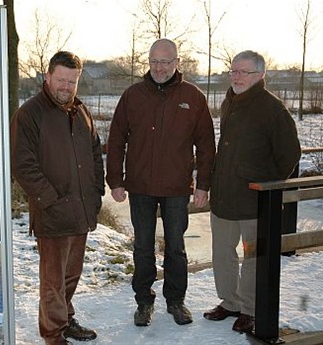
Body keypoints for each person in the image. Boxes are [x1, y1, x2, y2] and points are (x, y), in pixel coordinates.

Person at [106, 38, 216, 327]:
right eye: (154, 61)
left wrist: (203, 184)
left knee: (176, 247)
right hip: (140, 187)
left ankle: (176, 300)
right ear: (149, 62)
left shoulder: (192, 97)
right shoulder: (133, 95)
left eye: (166, 61)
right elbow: (116, 140)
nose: (160, 67)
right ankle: (144, 301)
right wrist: (115, 180)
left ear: (177, 63)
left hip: (177, 188)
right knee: (142, 247)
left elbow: (206, 144)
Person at [11, 51, 105, 345]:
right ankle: (53, 334)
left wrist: (96, 192)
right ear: (48, 77)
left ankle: (65, 318)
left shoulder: (82, 112)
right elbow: (22, 165)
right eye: (61, 80)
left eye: (72, 81)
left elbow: (94, 154)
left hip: (81, 211)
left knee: (71, 275)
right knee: (53, 281)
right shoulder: (30, 113)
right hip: (52, 213)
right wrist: (50, 199)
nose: (66, 87)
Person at [204, 50, 301, 333]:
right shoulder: (229, 102)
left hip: (255, 202)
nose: (236, 76)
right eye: (233, 71)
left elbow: (289, 154)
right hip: (224, 198)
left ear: (260, 75)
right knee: (222, 255)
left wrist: (266, 185)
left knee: (254, 258)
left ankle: (249, 309)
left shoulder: (273, 109)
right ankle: (230, 302)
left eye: (242, 72)